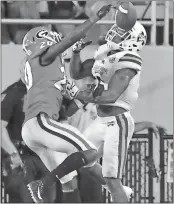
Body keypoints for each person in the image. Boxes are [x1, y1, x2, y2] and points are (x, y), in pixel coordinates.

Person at [21, 5, 111, 203]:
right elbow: (69, 40)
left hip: (33, 129)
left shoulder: (47, 72)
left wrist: (90, 96)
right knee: (90, 152)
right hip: (41, 122)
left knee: (68, 183)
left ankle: (44, 184)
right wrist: (95, 17)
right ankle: (43, 183)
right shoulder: (43, 59)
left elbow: (74, 100)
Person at [64, 2, 149, 202]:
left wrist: (78, 94)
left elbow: (111, 96)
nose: (114, 33)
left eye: (120, 32)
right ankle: (121, 191)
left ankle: (119, 192)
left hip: (116, 122)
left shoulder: (129, 61)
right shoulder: (108, 58)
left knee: (112, 180)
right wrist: (76, 52)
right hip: (100, 121)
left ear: (130, 39)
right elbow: (76, 72)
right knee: (78, 157)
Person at [1, 79, 62, 203]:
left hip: (44, 155)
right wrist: (13, 154)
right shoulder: (13, 93)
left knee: (49, 199)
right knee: (24, 198)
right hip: (20, 156)